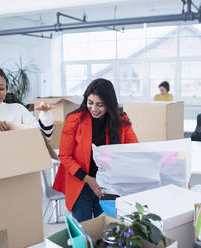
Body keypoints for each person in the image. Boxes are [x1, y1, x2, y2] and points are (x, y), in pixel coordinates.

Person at [53, 78, 138, 222]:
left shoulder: (121, 120)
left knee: (108, 227)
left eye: (100, 105)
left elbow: (134, 150)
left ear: (110, 104)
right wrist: (89, 180)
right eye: (90, 103)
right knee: (84, 229)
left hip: (108, 185)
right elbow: (65, 156)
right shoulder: (74, 119)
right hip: (81, 183)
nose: (94, 109)